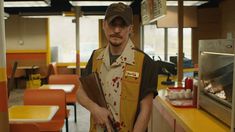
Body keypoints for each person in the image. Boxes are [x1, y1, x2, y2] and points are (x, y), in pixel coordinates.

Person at [77, 2, 158, 132]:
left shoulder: (145, 63)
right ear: (104, 25)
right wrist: (94, 109)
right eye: (112, 24)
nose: (116, 30)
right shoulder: (95, 57)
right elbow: (80, 92)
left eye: (122, 25)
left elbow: (146, 109)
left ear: (130, 29)